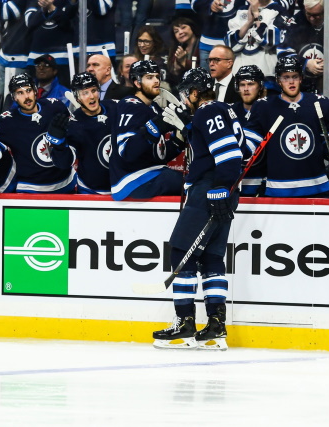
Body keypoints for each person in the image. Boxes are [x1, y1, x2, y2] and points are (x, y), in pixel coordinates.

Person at [152, 67, 244, 350]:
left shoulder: (209, 111)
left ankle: (185, 326)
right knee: (211, 258)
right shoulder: (221, 111)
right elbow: (233, 148)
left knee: (181, 251)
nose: (184, 99)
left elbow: (230, 156)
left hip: (210, 189)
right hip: (222, 190)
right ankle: (216, 326)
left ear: (194, 92)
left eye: (186, 93)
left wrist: (218, 190)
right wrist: (189, 127)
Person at [244, 55, 329, 197]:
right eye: (286, 77)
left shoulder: (320, 103)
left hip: (318, 188)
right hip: (279, 189)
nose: (291, 82)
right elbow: (250, 144)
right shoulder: (264, 106)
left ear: (301, 78)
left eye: (295, 76)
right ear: (278, 80)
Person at [0, 73, 76, 193]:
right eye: (20, 93)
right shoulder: (6, 122)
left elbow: (75, 138)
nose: (26, 96)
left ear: (35, 91)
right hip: (30, 189)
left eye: (28, 90)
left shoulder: (55, 106)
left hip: (66, 183)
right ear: (14, 97)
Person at [109, 60, 185, 200]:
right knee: (191, 184)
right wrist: (155, 127)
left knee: (190, 180)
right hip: (131, 180)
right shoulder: (130, 105)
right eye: (149, 78)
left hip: (151, 173)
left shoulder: (155, 108)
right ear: (137, 83)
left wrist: (178, 140)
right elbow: (127, 151)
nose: (156, 81)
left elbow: (158, 156)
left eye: (157, 76)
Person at [278, 0, 329, 96]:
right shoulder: (295, 22)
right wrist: (305, 63)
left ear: (325, 10)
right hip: (301, 92)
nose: (312, 19)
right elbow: (282, 53)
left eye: (317, 15)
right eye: (309, 14)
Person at [66, 72, 115, 194]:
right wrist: (57, 143)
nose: (91, 96)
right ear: (77, 98)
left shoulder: (114, 107)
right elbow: (65, 161)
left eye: (93, 90)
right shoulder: (73, 123)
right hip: (90, 189)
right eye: (85, 93)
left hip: (119, 186)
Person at [224, 0, 286, 88]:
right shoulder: (241, 10)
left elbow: (269, 41)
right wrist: (249, 22)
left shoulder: (278, 10)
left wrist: (256, 14)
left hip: (266, 73)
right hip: (240, 71)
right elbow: (231, 44)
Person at [26, 0, 78, 87]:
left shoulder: (68, 2)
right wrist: (43, 9)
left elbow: (67, 25)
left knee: (62, 96)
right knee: (35, 95)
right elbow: (30, 23)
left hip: (62, 59)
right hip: (36, 59)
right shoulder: (34, 2)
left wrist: (52, 8)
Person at [232, 64, 266, 196]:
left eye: (251, 84)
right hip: (236, 182)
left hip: (263, 181)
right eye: (242, 84)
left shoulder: (270, 110)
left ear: (260, 86)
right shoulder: (230, 112)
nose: (246, 89)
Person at [191, 0, 246, 70]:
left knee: (232, 80)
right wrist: (209, 4)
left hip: (234, 47)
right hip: (208, 44)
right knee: (206, 79)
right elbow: (194, 4)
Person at [166, 17, 201, 88]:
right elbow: (172, 73)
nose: (180, 32)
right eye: (176, 31)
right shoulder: (176, 48)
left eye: (183, 27)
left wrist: (184, 62)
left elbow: (204, 70)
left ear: (192, 28)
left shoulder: (202, 45)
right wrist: (177, 65)